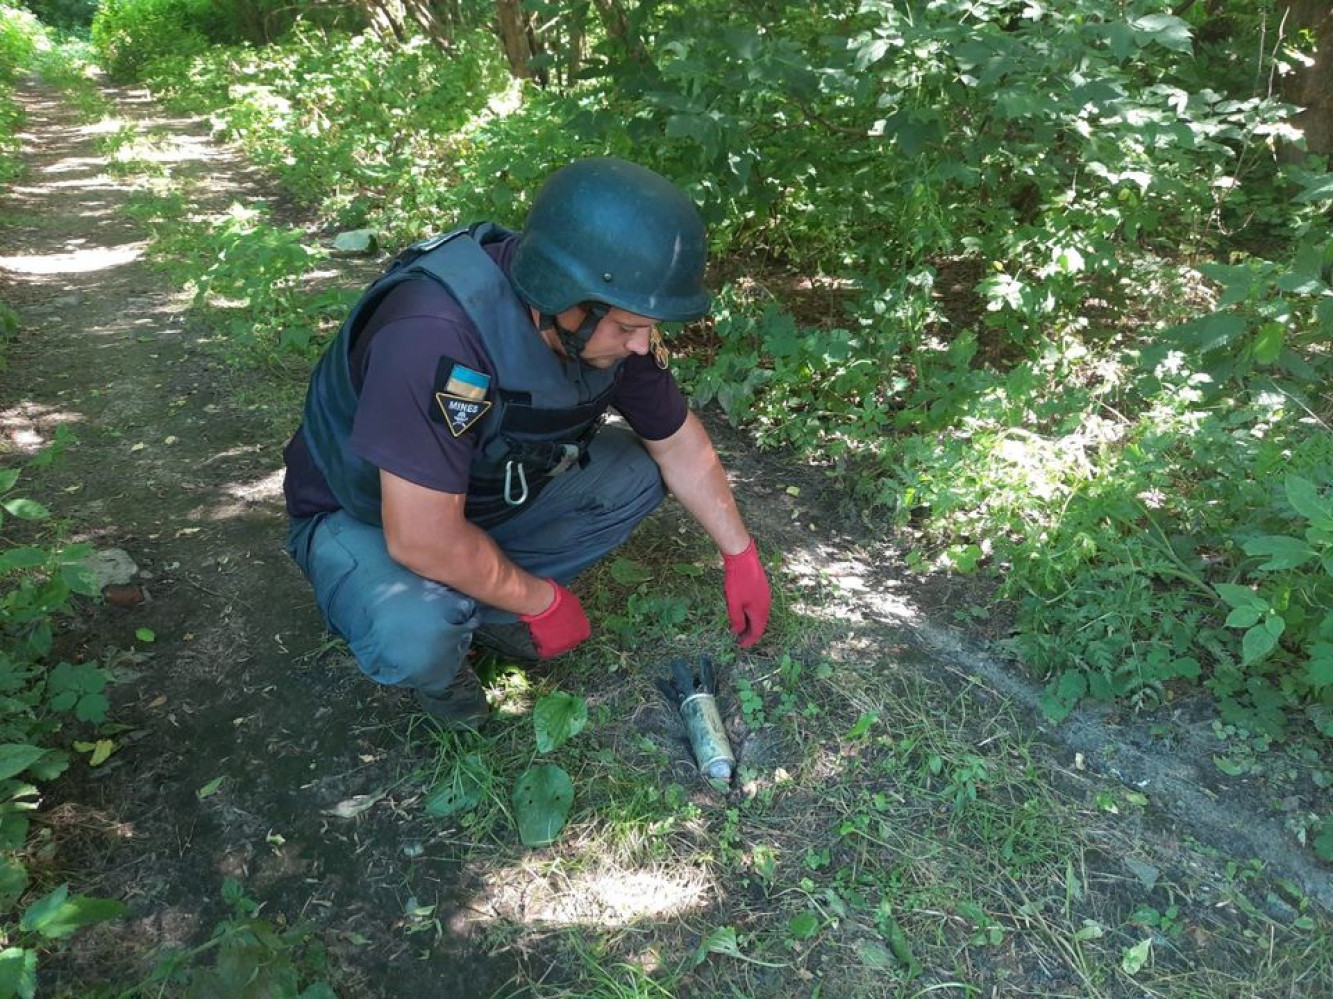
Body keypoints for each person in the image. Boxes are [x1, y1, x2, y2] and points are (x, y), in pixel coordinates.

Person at [281, 157, 772, 726]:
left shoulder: (609, 313)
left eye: (649, 327)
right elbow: (421, 537)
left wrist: (740, 553)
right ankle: (441, 663)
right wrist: (542, 601)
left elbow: (678, 442)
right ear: (563, 298)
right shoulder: (434, 336)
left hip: (472, 499)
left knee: (640, 472)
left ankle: (484, 608)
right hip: (363, 515)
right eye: (628, 328)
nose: (642, 345)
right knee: (412, 632)